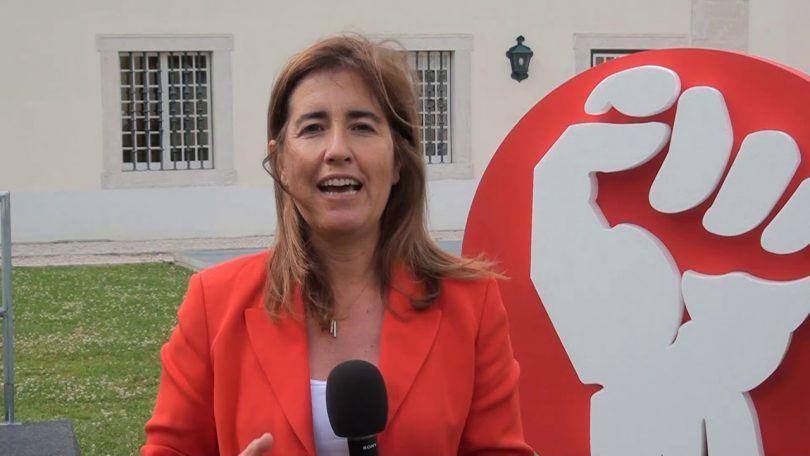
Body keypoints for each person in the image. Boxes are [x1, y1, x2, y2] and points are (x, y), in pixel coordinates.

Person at [141, 35, 533, 456]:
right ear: (281, 163)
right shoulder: (214, 303)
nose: (337, 150)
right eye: (313, 128)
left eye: (362, 127)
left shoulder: (470, 303)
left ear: (398, 160)